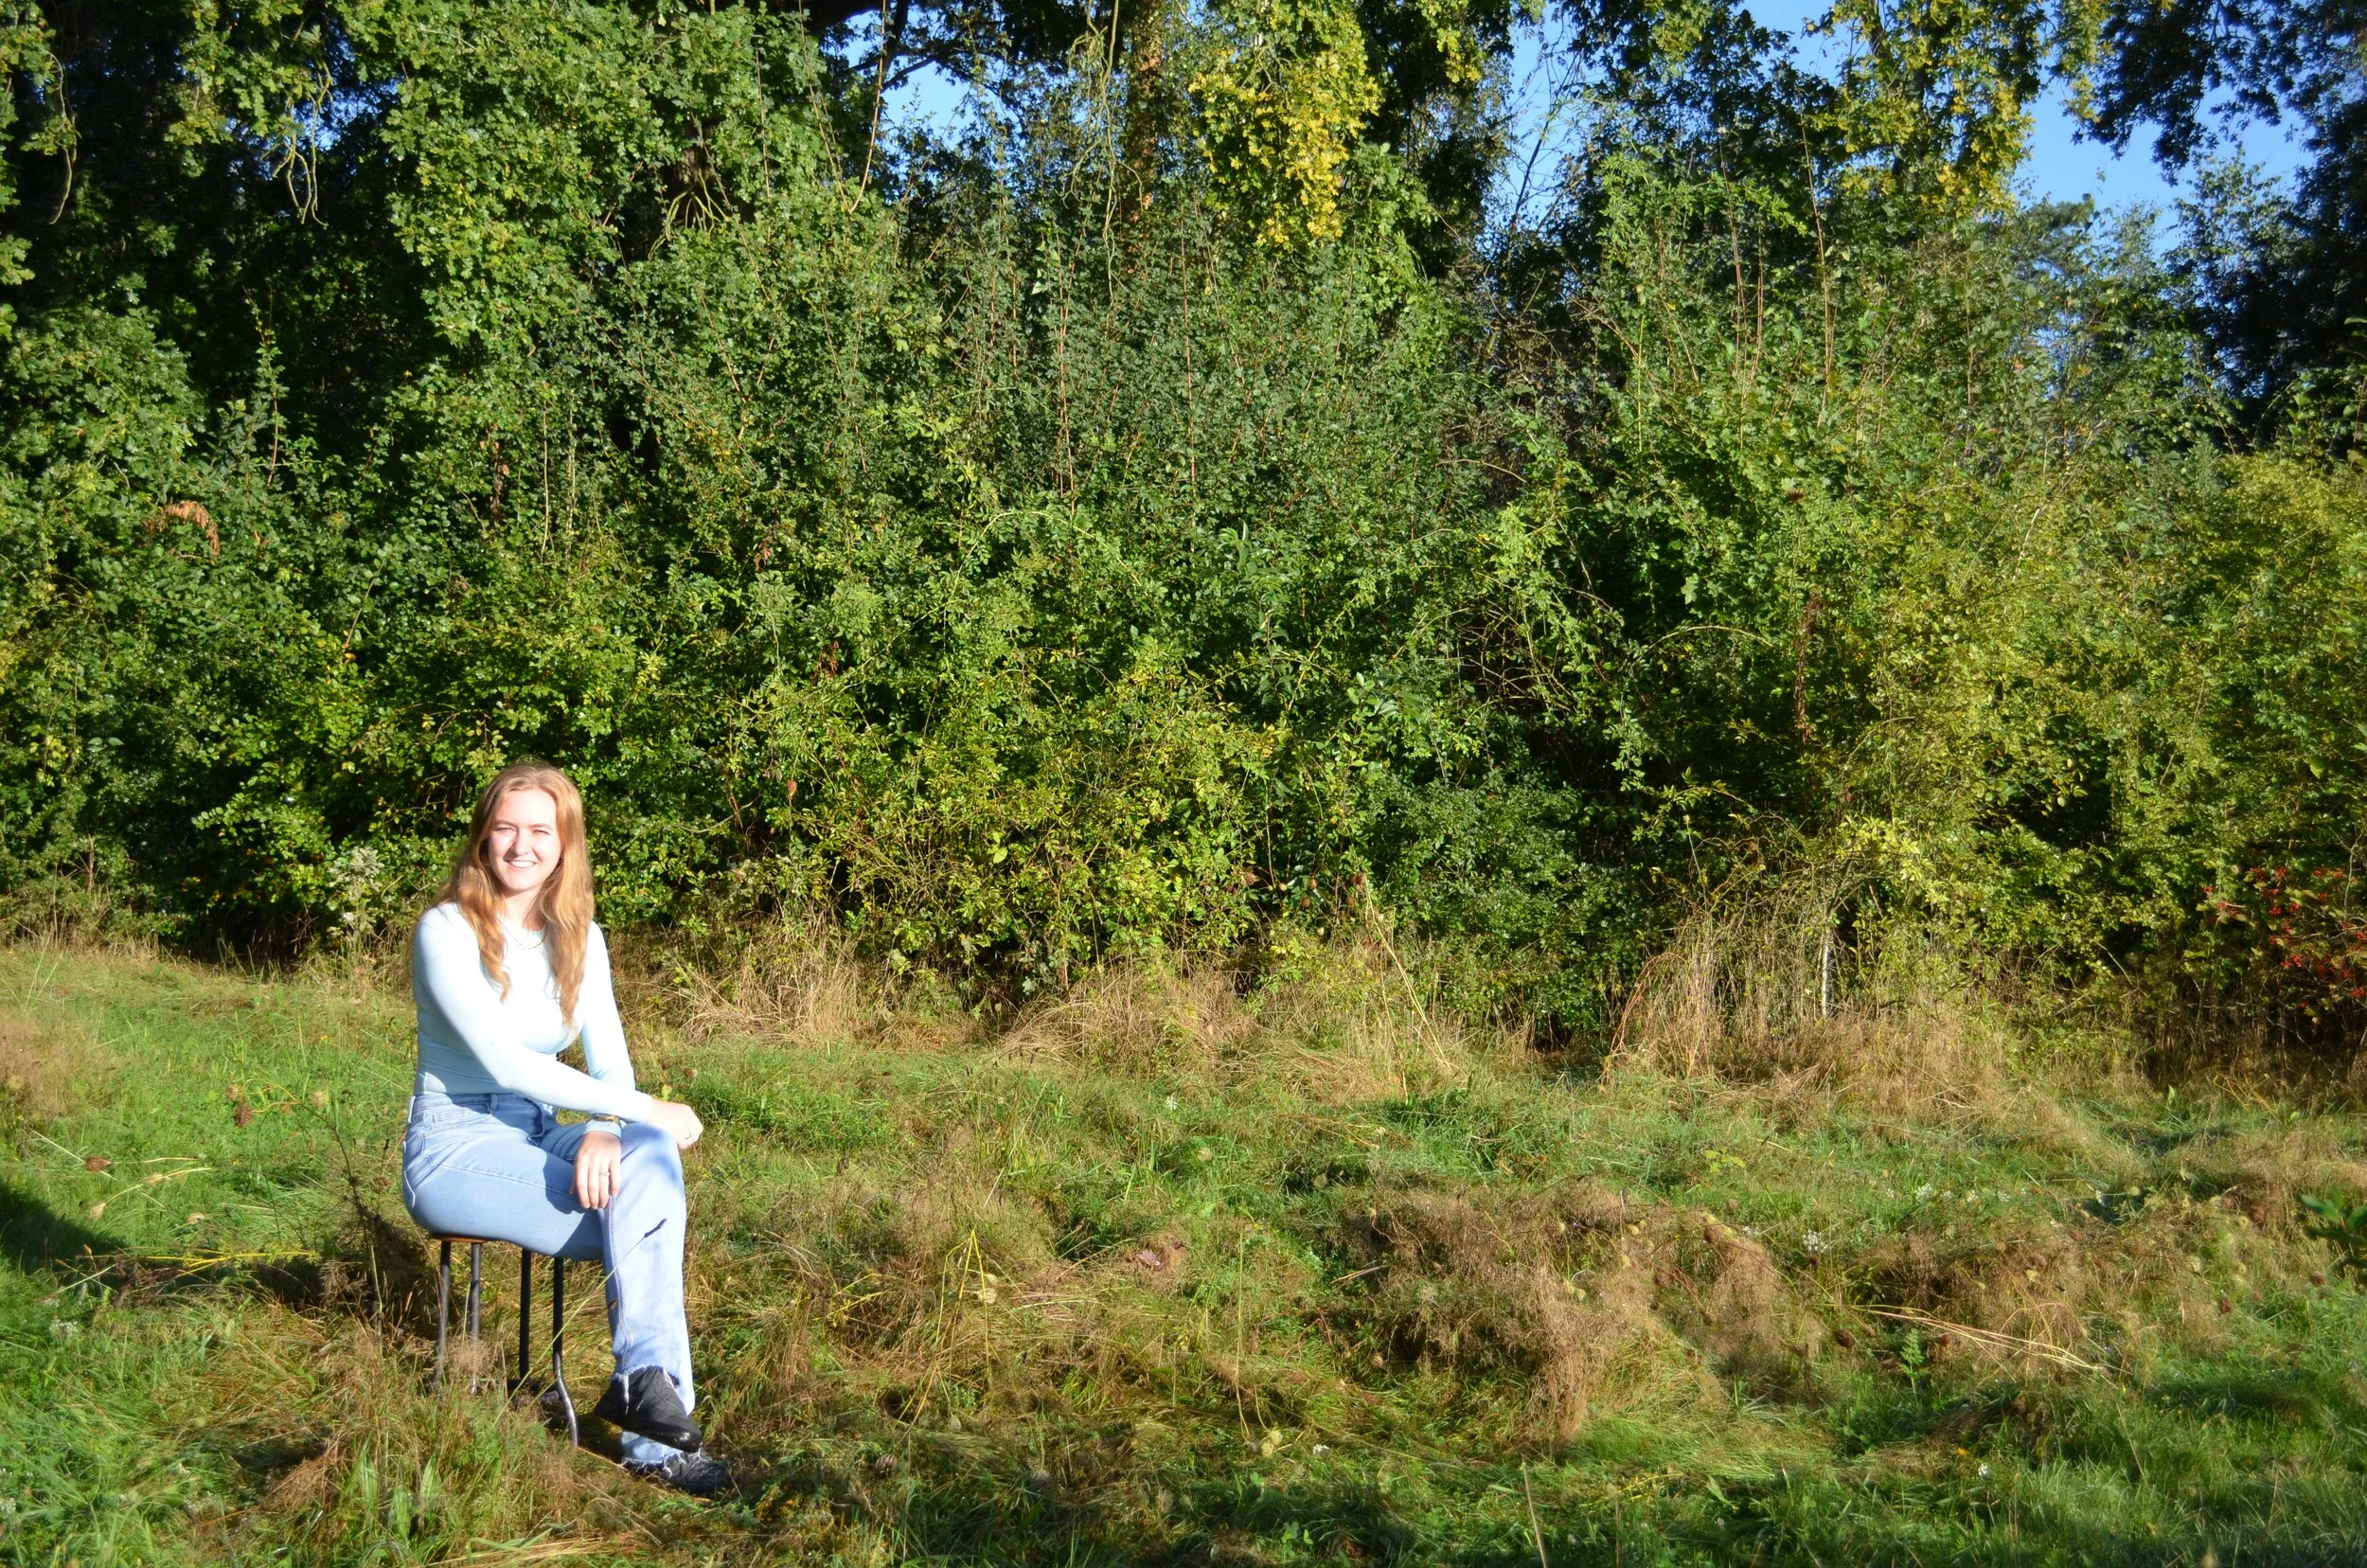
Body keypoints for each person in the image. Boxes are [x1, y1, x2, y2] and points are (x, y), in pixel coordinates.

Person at [400, 761, 728, 1496]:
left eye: (540, 831)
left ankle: (645, 1391)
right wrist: (647, 1108)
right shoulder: (445, 929)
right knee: (646, 1208)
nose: (521, 846)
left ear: (565, 843)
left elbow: (611, 1064)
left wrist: (610, 1126)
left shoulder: (581, 937)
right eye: (505, 829)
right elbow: (505, 1062)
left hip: (542, 1126)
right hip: (455, 1143)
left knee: (647, 1159)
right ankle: (656, 1435)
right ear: (483, 837)